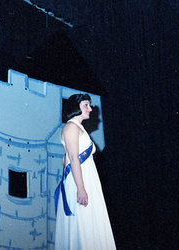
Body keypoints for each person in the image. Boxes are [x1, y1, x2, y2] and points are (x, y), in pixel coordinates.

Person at [54, 94, 116, 250]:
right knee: (83, 224)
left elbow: (66, 159)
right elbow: (73, 159)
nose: (90, 108)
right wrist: (80, 188)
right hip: (80, 182)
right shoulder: (71, 127)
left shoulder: (78, 128)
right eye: (86, 105)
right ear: (76, 107)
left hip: (86, 178)